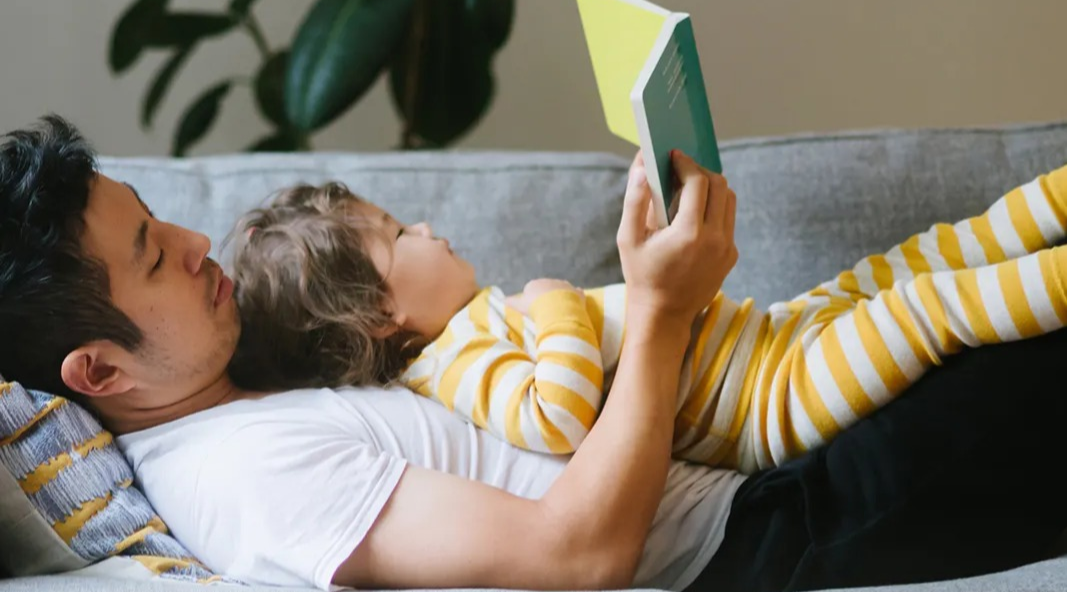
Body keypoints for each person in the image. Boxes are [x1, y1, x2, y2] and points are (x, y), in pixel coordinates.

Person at [2, 114, 1067, 592]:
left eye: (160, 221)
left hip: (757, 450)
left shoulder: (249, 386)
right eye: (151, 256)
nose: (195, 243)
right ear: (99, 371)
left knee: (948, 280)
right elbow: (578, 559)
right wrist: (656, 310)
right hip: (766, 535)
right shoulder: (241, 477)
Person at [228, 146, 1067, 473]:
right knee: (923, 305)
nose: (427, 227)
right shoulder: (453, 370)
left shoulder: (478, 323)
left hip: (773, 338)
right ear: (378, 316)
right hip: (772, 404)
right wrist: (557, 307)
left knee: (916, 256)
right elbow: (556, 418)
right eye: (397, 234)